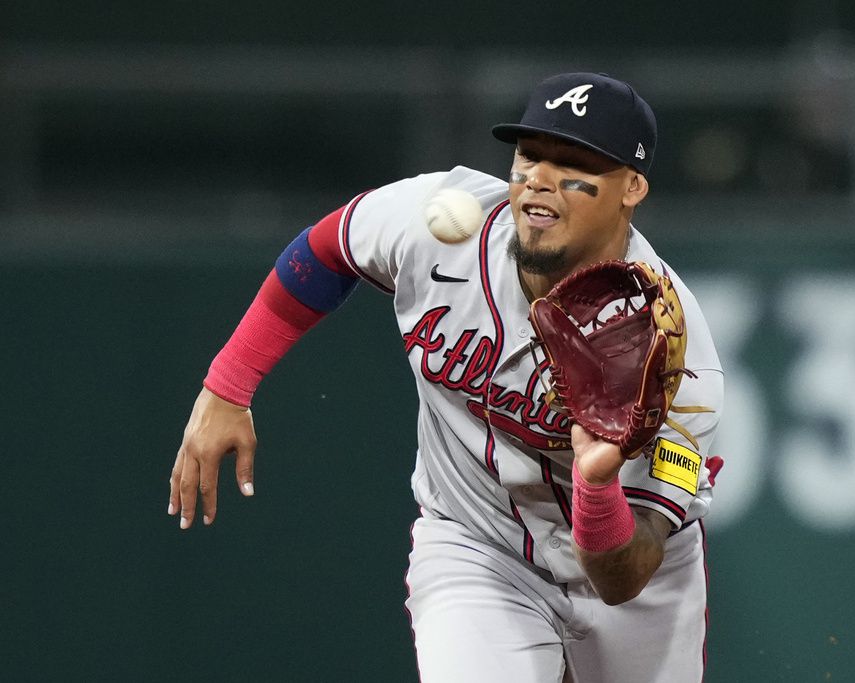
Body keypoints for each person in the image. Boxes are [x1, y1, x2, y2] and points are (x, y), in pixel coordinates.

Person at [168, 72, 724, 683]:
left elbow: (627, 576)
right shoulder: (437, 227)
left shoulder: (676, 360)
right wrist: (228, 385)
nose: (539, 177)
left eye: (574, 164)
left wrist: (596, 488)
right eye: (530, 155)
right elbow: (325, 251)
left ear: (633, 187)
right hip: (477, 548)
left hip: (633, 582)